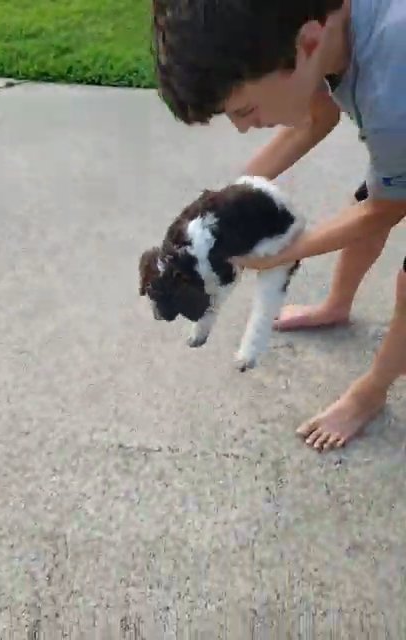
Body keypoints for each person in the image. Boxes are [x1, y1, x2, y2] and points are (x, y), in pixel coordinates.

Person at [151, 0, 406, 451]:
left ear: (308, 42)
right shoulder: (317, 28)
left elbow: (390, 207)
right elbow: (318, 115)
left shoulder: (390, 89)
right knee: (367, 191)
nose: (246, 128)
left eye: (245, 110)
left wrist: (285, 252)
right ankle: (336, 306)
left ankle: (369, 393)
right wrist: (221, 203)